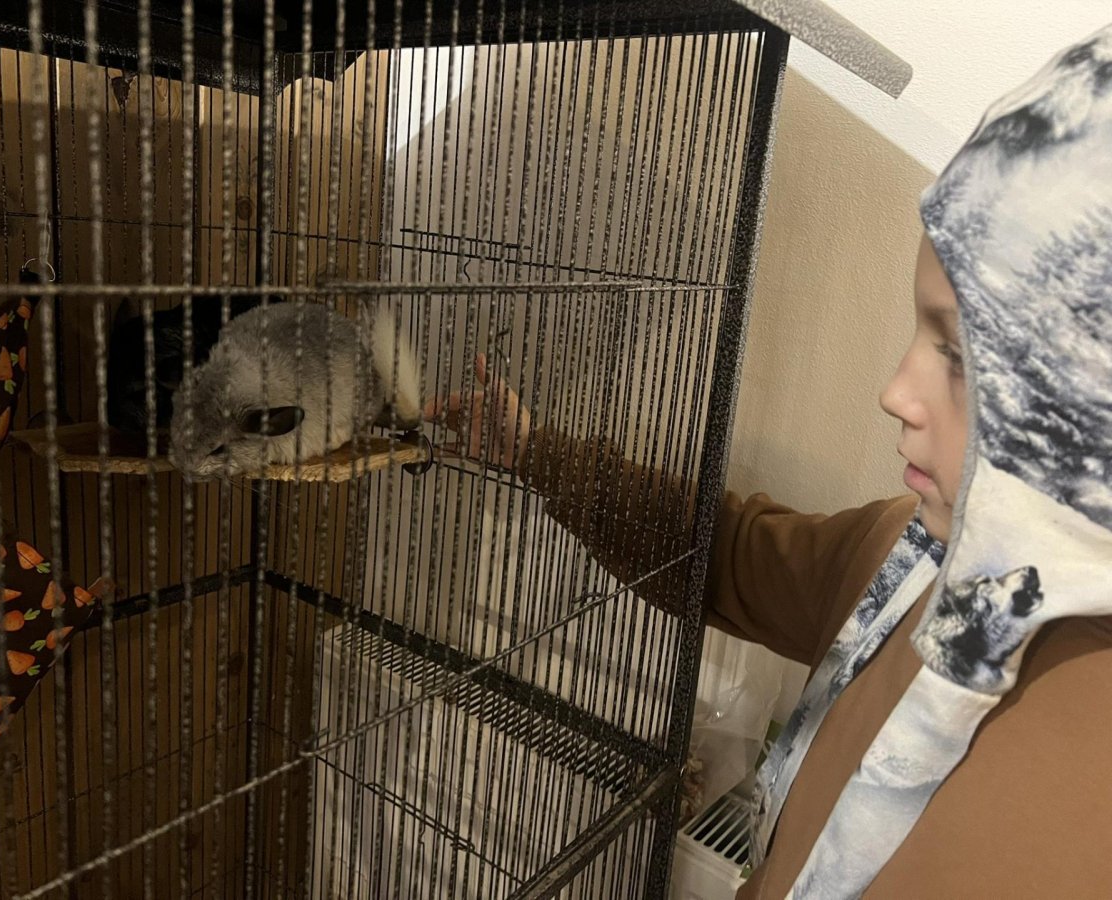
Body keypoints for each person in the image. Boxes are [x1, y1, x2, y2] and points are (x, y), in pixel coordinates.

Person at [426, 24, 1112, 898]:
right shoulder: (907, 553)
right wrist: (532, 450)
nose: (896, 392)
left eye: (961, 357)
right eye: (922, 330)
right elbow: (721, 555)